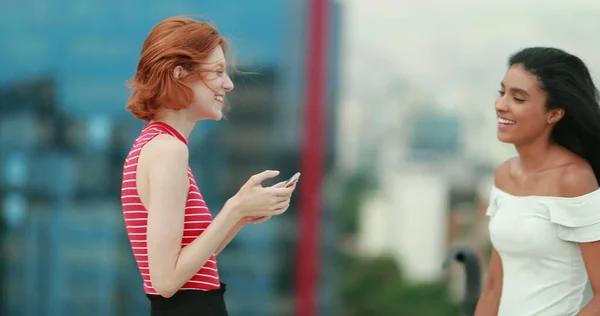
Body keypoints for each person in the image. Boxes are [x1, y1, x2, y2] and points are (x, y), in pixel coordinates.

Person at [120, 16, 298, 316]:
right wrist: (234, 209)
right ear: (179, 74)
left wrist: (241, 216)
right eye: (217, 72)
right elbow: (166, 281)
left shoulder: (156, 145)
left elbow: (189, 263)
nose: (228, 84)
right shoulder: (168, 150)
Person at [474, 47, 600, 316]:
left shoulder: (574, 180)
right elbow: (495, 285)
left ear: (553, 114)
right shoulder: (504, 175)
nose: (501, 104)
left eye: (518, 98)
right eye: (502, 92)